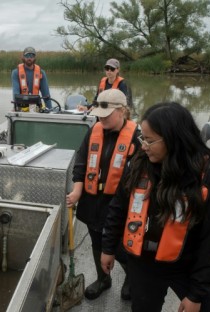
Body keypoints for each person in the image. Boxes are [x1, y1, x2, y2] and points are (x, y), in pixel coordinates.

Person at [101, 102, 210, 312]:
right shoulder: (138, 165)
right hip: (143, 263)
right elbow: (118, 207)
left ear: (173, 140)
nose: (143, 146)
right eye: (142, 138)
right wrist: (108, 247)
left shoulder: (207, 182)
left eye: (150, 141)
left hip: (186, 264)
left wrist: (196, 295)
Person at [66, 88, 140, 301]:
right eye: (99, 113)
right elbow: (81, 162)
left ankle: (130, 279)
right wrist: (78, 190)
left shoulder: (136, 137)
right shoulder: (94, 130)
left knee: (121, 248)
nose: (101, 118)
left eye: (106, 115)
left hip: (121, 205)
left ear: (122, 111)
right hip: (93, 201)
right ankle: (103, 279)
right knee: (97, 242)